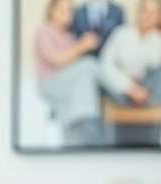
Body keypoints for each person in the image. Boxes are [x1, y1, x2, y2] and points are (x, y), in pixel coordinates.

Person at [35, 0, 109, 146]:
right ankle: (123, 91)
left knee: (85, 79)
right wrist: (82, 46)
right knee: (89, 64)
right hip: (50, 83)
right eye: (62, 9)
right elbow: (57, 60)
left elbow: (74, 68)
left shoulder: (69, 36)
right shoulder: (44, 31)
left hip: (68, 85)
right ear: (52, 11)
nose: (66, 14)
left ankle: (88, 127)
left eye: (69, 10)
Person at [100, 0, 161, 108]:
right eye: (145, 11)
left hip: (148, 94)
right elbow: (105, 65)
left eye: (153, 13)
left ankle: (151, 110)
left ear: (160, 17)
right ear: (138, 11)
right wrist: (130, 88)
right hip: (121, 91)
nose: (147, 16)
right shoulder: (121, 34)